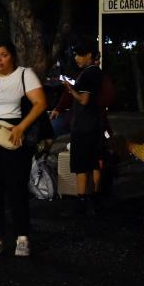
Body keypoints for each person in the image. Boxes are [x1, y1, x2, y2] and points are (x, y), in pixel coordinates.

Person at [0, 41, 46, 257]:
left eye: (3, 55)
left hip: (15, 134)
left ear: (13, 57)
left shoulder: (25, 74)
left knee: (16, 188)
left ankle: (22, 237)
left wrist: (21, 127)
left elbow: (40, 103)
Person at [62, 42, 103, 216]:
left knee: (80, 164)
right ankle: (94, 201)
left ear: (89, 55)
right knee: (93, 162)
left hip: (83, 125)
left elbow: (84, 100)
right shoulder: (97, 72)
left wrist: (71, 90)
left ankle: (81, 202)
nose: (76, 58)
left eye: (80, 54)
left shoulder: (88, 73)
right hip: (94, 123)